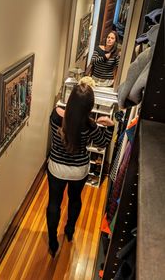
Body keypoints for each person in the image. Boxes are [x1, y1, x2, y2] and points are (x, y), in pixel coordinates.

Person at [46, 82, 115, 257]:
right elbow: (103, 142)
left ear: (70, 101)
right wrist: (111, 126)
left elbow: (62, 120)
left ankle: (53, 242)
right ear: (89, 106)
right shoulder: (90, 125)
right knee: (74, 199)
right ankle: (69, 230)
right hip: (79, 170)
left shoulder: (55, 116)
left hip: (56, 168)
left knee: (54, 203)